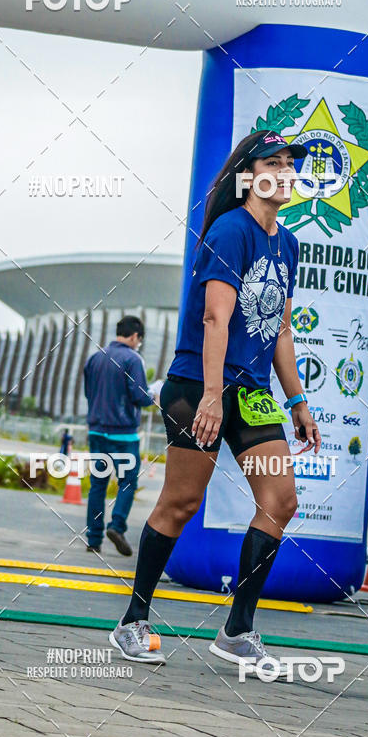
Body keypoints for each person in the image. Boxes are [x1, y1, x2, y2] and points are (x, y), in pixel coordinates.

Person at [110, 130, 321, 667]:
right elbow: (214, 319)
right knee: (179, 504)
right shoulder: (231, 231)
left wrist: (297, 401)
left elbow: (280, 331)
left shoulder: (288, 244)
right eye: (271, 162)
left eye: (289, 164)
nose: (284, 171)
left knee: (281, 501)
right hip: (197, 387)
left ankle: (236, 632)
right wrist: (210, 397)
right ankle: (133, 621)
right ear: (248, 177)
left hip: (251, 392)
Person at [84, 316, 155, 556]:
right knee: (127, 482)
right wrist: (153, 394)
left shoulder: (95, 358)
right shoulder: (133, 359)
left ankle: (93, 540)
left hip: (96, 431)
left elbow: (88, 393)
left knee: (98, 485)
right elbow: (140, 396)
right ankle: (116, 526)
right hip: (123, 434)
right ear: (135, 336)